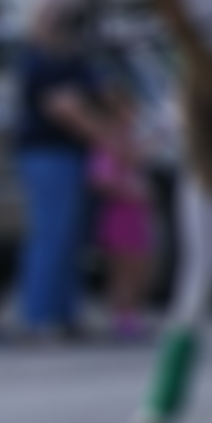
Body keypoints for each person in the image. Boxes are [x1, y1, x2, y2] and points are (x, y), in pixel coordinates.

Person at [12, 9, 113, 340]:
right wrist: (107, 137)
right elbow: (64, 108)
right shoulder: (44, 61)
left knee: (71, 240)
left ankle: (66, 315)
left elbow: (104, 94)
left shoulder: (75, 61)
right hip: (49, 155)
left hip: (74, 156)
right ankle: (38, 320)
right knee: (51, 236)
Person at [88, 78, 156, 340]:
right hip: (120, 214)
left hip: (138, 215)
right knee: (122, 271)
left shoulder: (128, 140)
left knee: (141, 268)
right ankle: (121, 317)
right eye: (128, 110)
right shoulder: (108, 142)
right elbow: (100, 179)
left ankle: (134, 313)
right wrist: (130, 191)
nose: (133, 115)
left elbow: (140, 156)